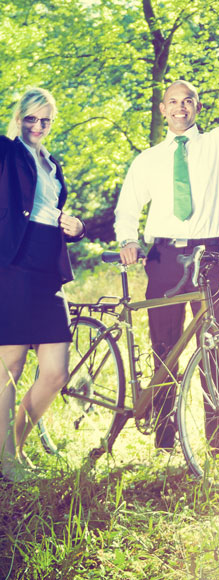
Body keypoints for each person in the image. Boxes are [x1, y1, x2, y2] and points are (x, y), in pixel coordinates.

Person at [114, 24, 219, 450]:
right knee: (165, 345)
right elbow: (128, 207)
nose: (180, 107)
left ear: (197, 107)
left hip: (210, 257)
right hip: (164, 259)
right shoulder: (149, 160)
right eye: (172, 101)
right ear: (163, 107)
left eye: (187, 100)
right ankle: (166, 436)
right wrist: (126, 239)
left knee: (215, 343)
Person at [0, 88, 86, 481]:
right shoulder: (7, 152)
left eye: (45, 120)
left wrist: (76, 227)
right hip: (13, 267)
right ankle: (8, 458)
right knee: (10, 368)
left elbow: (53, 211)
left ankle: (13, 444)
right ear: (18, 119)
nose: (37, 126)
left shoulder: (53, 163)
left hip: (49, 271)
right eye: (31, 119)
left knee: (55, 372)